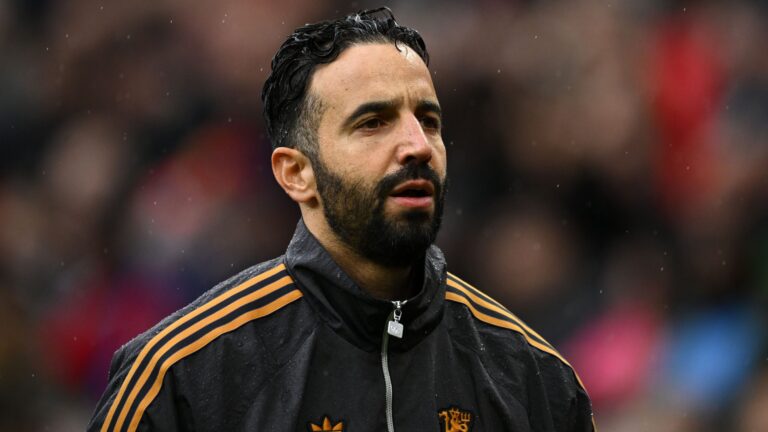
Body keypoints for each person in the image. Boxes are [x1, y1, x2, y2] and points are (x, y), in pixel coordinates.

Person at [88, 7, 594, 431]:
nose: (417, 146)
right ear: (296, 174)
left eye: (428, 120)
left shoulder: (535, 379)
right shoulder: (181, 377)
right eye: (373, 123)